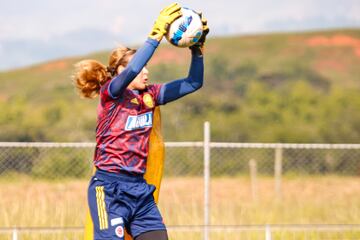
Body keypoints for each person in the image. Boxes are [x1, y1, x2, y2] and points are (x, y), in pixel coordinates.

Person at [73, 3, 209, 240]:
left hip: (139, 192)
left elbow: (193, 83)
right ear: (120, 73)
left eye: (147, 66)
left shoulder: (150, 96)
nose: (145, 71)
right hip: (108, 191)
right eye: (140, 67)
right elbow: (133, 68)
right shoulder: (111, 94)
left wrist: (197, 50)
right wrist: (156, 34)